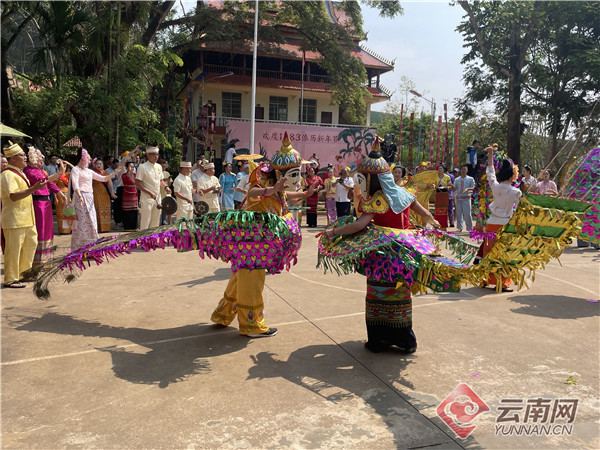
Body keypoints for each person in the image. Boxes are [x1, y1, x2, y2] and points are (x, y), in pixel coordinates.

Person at [322, 147, 440, 353]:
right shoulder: (402, 193)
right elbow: (424, 212)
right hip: (404, 254)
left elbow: (359, 226)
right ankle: (406, 341)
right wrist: (432, 221)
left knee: (378, 294)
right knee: (400, 294)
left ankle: (379, 340)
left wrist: (334, 231)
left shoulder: (377, 200)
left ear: (371, 180)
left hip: (382, 257)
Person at [211, 133, 319, 337]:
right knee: (252, 283)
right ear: (279, 175)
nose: (298, 180)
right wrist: (272, 189)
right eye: (294, 175)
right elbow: (251, 194)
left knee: (237, 281)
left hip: (255, 245)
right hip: (252, 244)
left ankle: (223, 315)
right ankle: (252, 326)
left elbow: (288, 195)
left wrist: (307, 193)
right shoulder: (263, 185)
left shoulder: (279, 190)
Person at [1, 142, 48, 288]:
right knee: (14, 250)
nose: (24, 157)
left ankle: (24, 274)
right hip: (15, 219)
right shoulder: (8, 175)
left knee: (30, 246)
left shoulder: (20, 173)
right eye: (21, 155)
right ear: (12, 159)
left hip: (28, 218)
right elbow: (13, 196)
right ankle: (11, 278)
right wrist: (33, 188)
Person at [480, 146, 522, 292]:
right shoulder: (516, 192)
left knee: (489, 252)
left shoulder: (495, 187)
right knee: (503, 254)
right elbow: (522, 208)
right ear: (512, 176)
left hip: (492, 223)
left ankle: (485, 279)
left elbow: (490, 170)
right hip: (505, 225)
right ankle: (502, 282)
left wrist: (491, 154)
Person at [70, 148, 124, 250]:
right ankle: (80, 248)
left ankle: (91, 247)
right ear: (83, 159)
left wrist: (114, 173)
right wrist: (80, 196)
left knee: (92, 222)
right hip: (81, 197)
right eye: (88, 159)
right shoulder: (75, 170)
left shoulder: (89, 171)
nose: (90, 161)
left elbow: (103, 178)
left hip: (90, 197)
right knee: (82, 223)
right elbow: (75, 185)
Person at [23, 148, 65, 265]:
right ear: (32, 158)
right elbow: (43, 181)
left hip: (45, 204)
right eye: (39, 156)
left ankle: (46, 259)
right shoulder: (28, 171)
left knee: (47, 230)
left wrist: (60, 193)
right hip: (37, 204)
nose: (42, 159)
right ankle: (37, 261)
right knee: (40, 230)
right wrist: (58, 174)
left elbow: (49, 183)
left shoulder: (40, 170)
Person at [135, 146, 170, 230]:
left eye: (157, 155)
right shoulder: (142, 167)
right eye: (153, 155)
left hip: (157, 198)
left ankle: (153, 241)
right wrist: (149, 192)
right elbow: (137, 182)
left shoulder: (159, 166)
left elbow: (160, 181)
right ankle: (143, 241)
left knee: (156, 222)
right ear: (148, 155)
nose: (156, 157)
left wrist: (165, 187)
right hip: (146, 199)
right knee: (145, 221)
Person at [92, 158, 117, 233]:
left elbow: (110, 182)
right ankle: (98, 228)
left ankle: (106, 228)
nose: (99, 165)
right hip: (96, 193)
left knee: (106, 209)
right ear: (94, 165)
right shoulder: (93, 173)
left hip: (105, 193)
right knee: (97, 210)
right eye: (97, 164)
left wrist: (112, 192)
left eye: (100, 164)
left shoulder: (106, 172)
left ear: (103, 165)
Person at [453, 164, 475, 232]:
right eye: (462, 169)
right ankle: (459, 227)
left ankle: (469, 228)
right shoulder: (457, 179)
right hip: (458, 198)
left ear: (467, 170)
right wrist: (451, 186)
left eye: (464, 169)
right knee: (459, 213)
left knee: (467, 213)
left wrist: (468, 189)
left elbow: (473, 187)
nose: (463, 171)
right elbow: (454, 189)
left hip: (466, 198)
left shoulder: (470, 179)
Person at [121, 161, 139, 231]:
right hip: (127, 194)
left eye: (133, 167)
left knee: (134, 210)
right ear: (126, 168)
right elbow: (125, 182)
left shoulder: (135, 175)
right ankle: (127, 227)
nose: (131, 168)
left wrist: (131, 176)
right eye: (130, 167)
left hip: (134, 194)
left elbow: (136, 183)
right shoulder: (123, 175)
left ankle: (134, 227)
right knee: (127, 210)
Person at [434, 163, 452, 229]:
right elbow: (433, 184)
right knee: (437, 210)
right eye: (438, 168)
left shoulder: (447, 177)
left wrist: (444, 186)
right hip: (437, 194)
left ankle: (444, 226)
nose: (439, 170)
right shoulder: (435, 176)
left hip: (444, 195)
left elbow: (450, 186)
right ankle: (437, 225)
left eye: (441, 168)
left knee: (444, 210)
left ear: (444, 170)